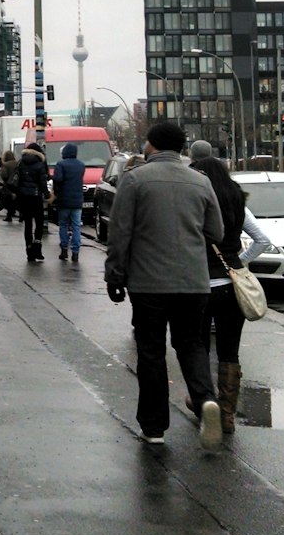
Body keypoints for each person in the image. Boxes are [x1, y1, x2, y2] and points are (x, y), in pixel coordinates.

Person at [104, 120, 224, 449]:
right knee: (191, 345)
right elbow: (217, 233)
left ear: (150, 144)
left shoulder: (135, 180)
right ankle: (205, 399)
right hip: (194, 282)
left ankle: (154, 427)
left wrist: (115, 274)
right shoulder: (200, 181)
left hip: (148, 284)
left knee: (152, 352)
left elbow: (119, 233)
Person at [188, 140, 258, 435]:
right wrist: (237, 262)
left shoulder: (195, 199)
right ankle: (228, 414)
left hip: (198, 285)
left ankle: (203, 401)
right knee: (229, 351)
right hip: (231, 285)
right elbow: (261, 240)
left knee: (198, 346)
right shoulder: (236, 199)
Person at [52, 141, 85, 264]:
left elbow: (58, 180)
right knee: (76, 226)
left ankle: (64, 249)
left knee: (64, 225)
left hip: (64, 200)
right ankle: (75, 252)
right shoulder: (81, 165)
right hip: (77, 200)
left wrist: (56, 192)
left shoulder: (61, 165)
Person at [15, 141, 49, 262]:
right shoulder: (40, 164)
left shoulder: (21, 163)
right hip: (36, 197)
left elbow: (17, 181)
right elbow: (43, 182)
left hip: (24, 197)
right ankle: (37, 248)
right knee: (39, 223)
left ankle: (29, 251)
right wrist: (47, 194)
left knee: (27, 224)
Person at [0, 150, 18, 219]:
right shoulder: (17, 163)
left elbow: (4, 175)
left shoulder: (5, 164)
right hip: (17, 184)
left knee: (8, 200)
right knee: (17, 200)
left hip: (9, 184)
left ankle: (9, 216)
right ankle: (21, 215)